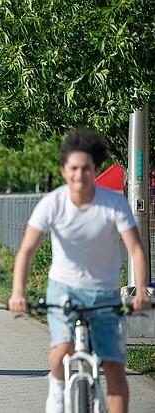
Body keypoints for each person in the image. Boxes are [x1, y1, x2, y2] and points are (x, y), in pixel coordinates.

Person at [8, 128, 151, 413]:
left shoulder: (113, 204)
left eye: (86, 168)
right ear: (63, 170)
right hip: (64, 288)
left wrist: (142, 290)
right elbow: (27, 250)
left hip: (105, 293)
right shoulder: (52, 203)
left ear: (95, 169)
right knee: (62, 350)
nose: (79, 175)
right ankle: (58, 388)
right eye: (73, 168)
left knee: (113, 365)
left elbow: (136, 249)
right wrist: (17, 292)